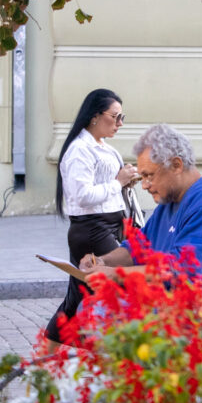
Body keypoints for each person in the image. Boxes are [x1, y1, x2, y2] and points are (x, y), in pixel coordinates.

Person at [78, 123, 202, 283]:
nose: (144, 185)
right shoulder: (169, 201)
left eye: (149, 176)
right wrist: (102, 261)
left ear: (176, 165)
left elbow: (183, 270)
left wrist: (115, 274)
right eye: (142, 177)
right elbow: (137, 249)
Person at [43, 88, 140, 345]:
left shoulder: (103, 148)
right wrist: (118, 182)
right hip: (92, 230)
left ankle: (44, 358)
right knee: (126, 282)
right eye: (115, 117)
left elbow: (107, 187)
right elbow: (82, 195)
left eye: (122, 117)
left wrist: (126, 180)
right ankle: (118, 347)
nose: (120, 124)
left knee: (76, 298)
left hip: (106, 226)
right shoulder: (79, 150)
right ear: (95, 116)